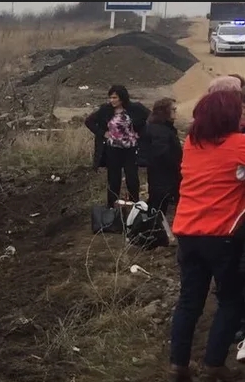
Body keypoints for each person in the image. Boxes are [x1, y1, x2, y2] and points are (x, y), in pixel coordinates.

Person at [168, 90, 245, 382]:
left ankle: (178, 365)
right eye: (239, 111)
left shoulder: (191, 143)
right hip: (221, 236)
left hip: (187, 232)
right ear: (228, 116)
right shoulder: (240, 145)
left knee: (189, 299)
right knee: (230, 299)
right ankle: (213, 363)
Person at [85, 85, 150, 208]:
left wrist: (141, 133)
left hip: (131, 149)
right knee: (114, 180)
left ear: (122, 98)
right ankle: (112, 208)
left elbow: (151, 118)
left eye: (115, 97)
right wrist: (102, 133)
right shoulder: (106, 110)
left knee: (132, 179)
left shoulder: (135, 108)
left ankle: (134, 206)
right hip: (112, 149)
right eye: (110, 97)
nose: (112, 100)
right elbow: (89, 121)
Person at [137, 98, 182, 215]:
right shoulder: (160, 130)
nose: (176, 112)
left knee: (159, 207)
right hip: (164, 177)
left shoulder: (164, 127)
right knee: (159, 209)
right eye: (173, 109)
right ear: (165, 111)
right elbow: (162, 153)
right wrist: (177, 164)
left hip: (163, 176)